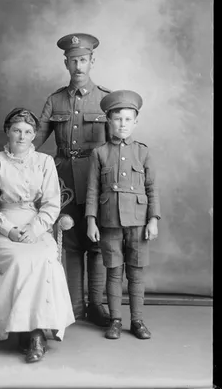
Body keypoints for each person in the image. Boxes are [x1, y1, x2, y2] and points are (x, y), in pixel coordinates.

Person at [0, 108, 75, 364]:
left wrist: (34, 229)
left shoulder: (44, 162)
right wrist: (8, 229)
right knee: (21, 261)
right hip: (2, 228)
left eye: (28, 132)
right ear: (7, 132)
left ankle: (34, 333)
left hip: (37, 226)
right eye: (17, 131)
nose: (22, 137)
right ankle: (28, 332)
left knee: (45, 258)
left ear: (34, 135)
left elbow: (52, 204)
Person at [34, 33, 110, 326]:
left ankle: (97, 305)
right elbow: (38, 137)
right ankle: (75, 307)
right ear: (66, 63)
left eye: (83, 60)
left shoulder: (105, 98)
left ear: (92, 61)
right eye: (73, 61)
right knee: (70, 241)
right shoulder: (55, 100)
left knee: (97, 242)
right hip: (63, 178)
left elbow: (114, 145)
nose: (78, 66)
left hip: (96, 178)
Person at [85, 90, 161, 340]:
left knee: (136, 274)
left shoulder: (143, 152)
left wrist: (152, 219)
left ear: (135, 122)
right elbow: (93, 190)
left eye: (128, 119)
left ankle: (137, 321)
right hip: (109, 222)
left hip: (138, 223)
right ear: (108, 121)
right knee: (114, 272)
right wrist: (91, 221)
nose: (123, 124)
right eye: (117, 119)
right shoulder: (100, 153)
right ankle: (115, 319)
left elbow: (152, 189)